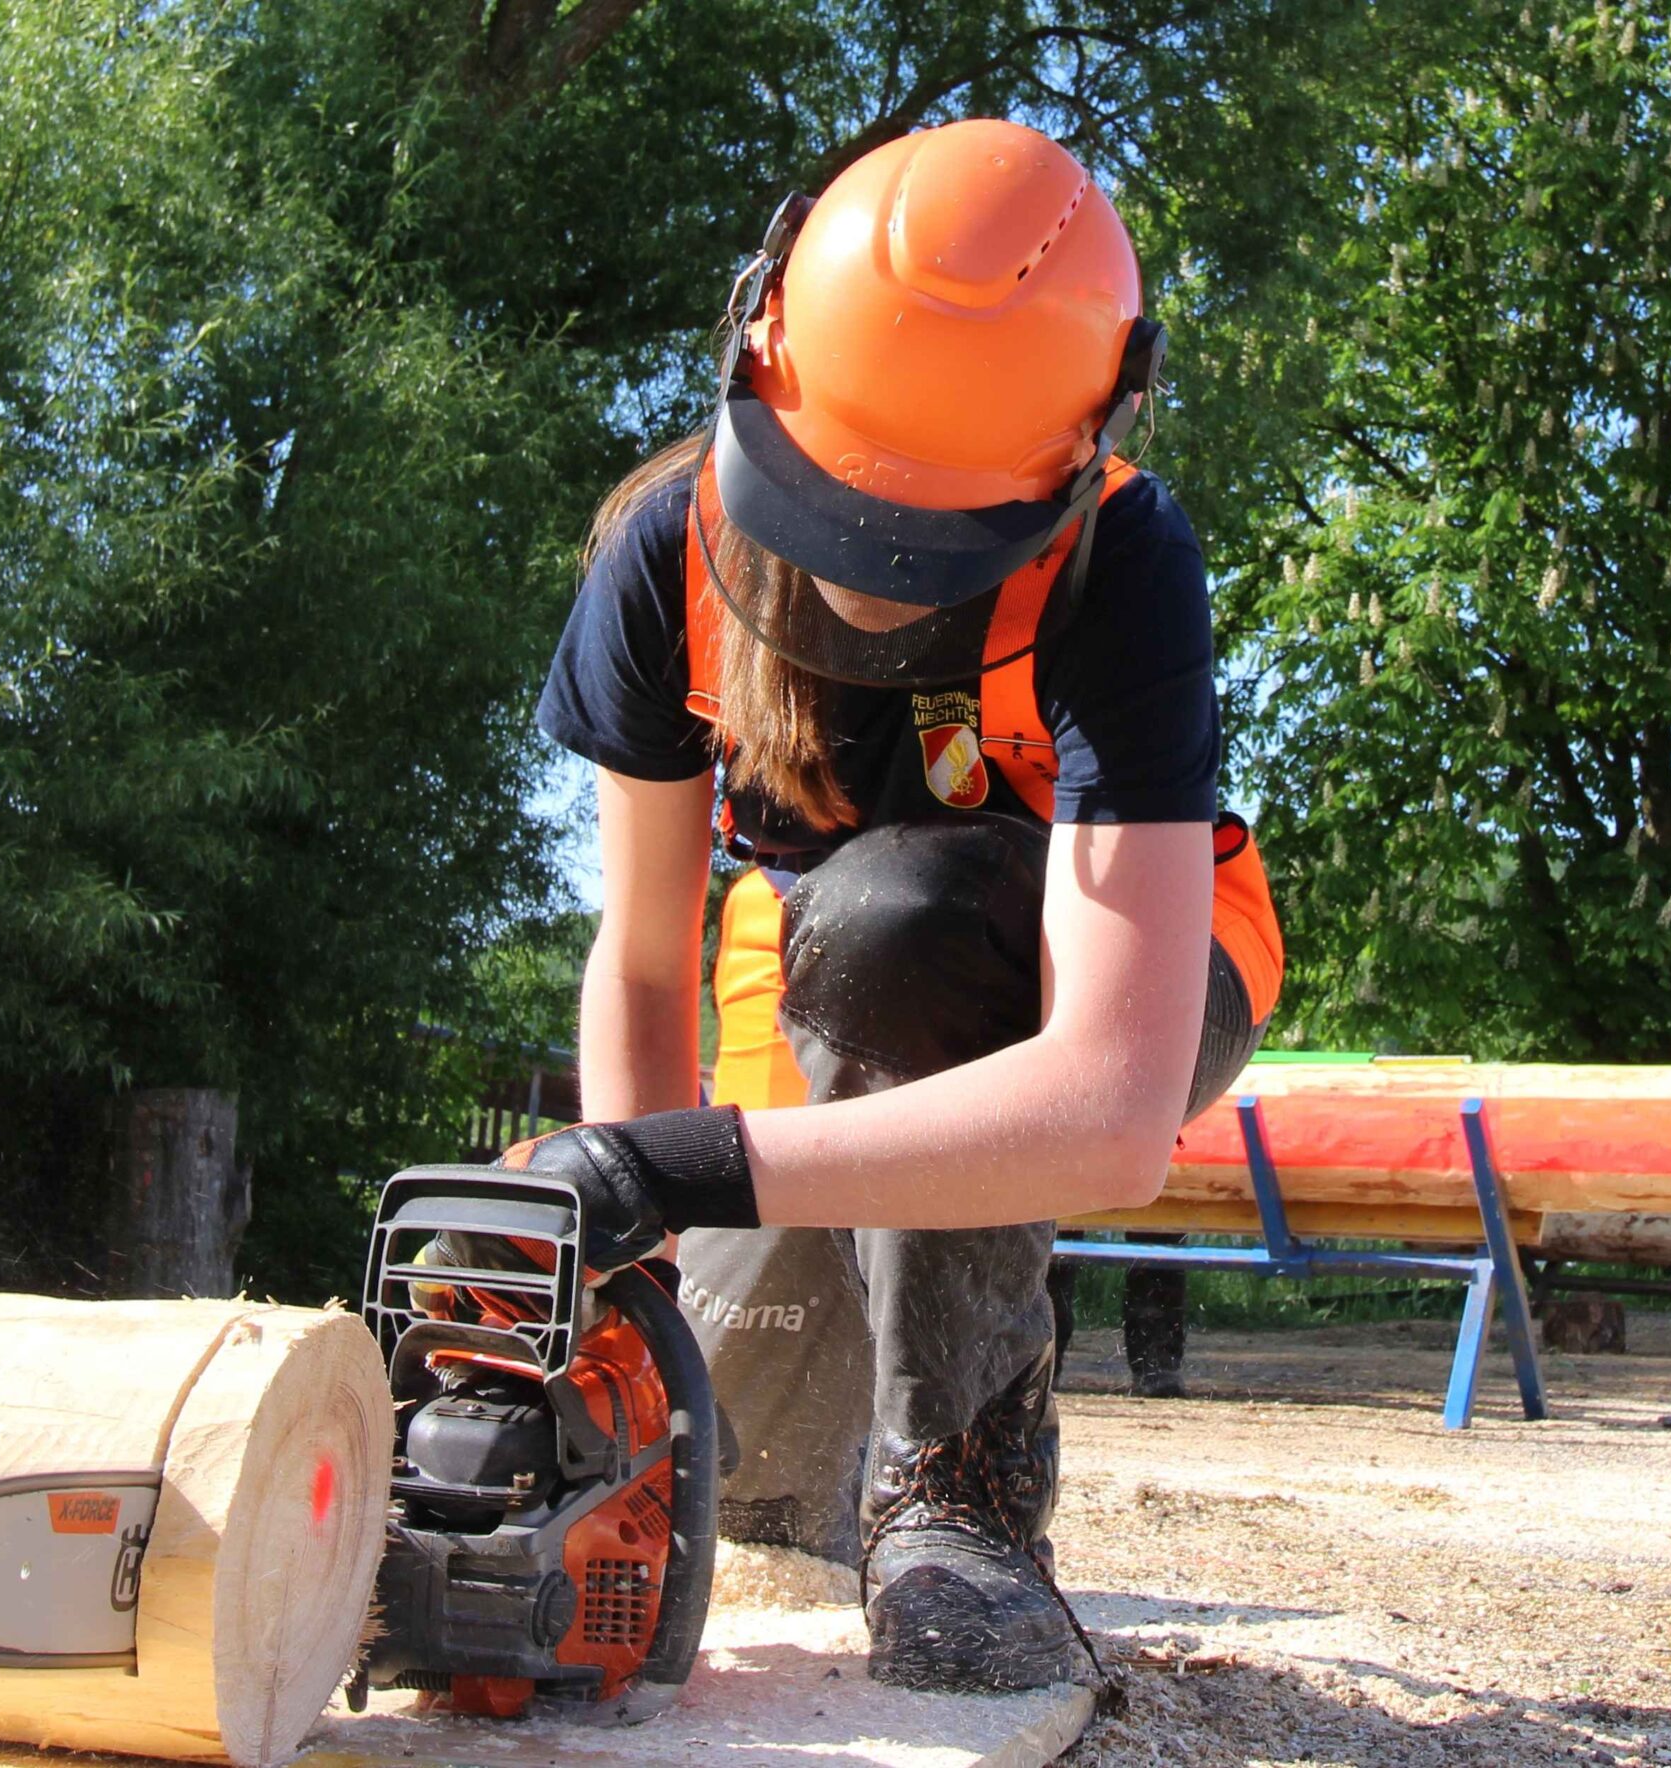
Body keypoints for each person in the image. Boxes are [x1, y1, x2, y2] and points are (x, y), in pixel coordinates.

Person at [519, 118, 1284, 1694]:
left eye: (928, 537)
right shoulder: (664, 555)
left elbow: (1111, 1106)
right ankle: (828, 1456)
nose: (872, 573)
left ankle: (961, 1495)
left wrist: (675, 1165)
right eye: (840, 501)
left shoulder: (1121, 561)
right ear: (762, 353)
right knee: (761, 1452)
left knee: (898, 912)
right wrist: (629, 1289)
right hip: (815, 1001)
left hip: (1135, 977)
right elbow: (646, 956)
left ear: (1073, 456)